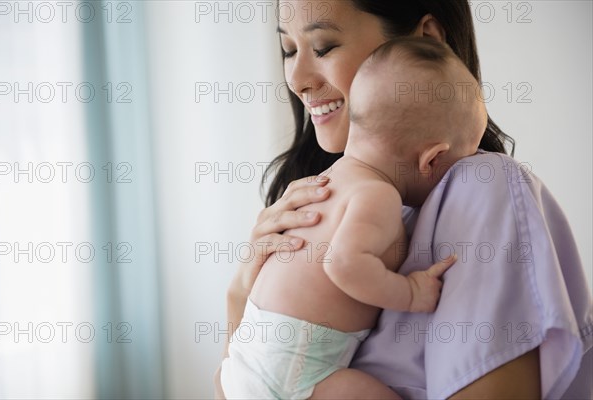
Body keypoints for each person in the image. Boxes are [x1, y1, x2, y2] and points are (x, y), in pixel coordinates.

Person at [216, 1, 593, 398]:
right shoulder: (317, 195)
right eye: (289, 51)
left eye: (324, 46)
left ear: (426, 38)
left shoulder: (483, 187)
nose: (297, 78)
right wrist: (240, 294)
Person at [220, 36, 487, 399]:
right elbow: (344, 263)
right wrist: (410, 293)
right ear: (431, 160)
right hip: (299, 365)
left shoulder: (328, 179)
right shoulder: (376, 193)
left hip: (245, 360)